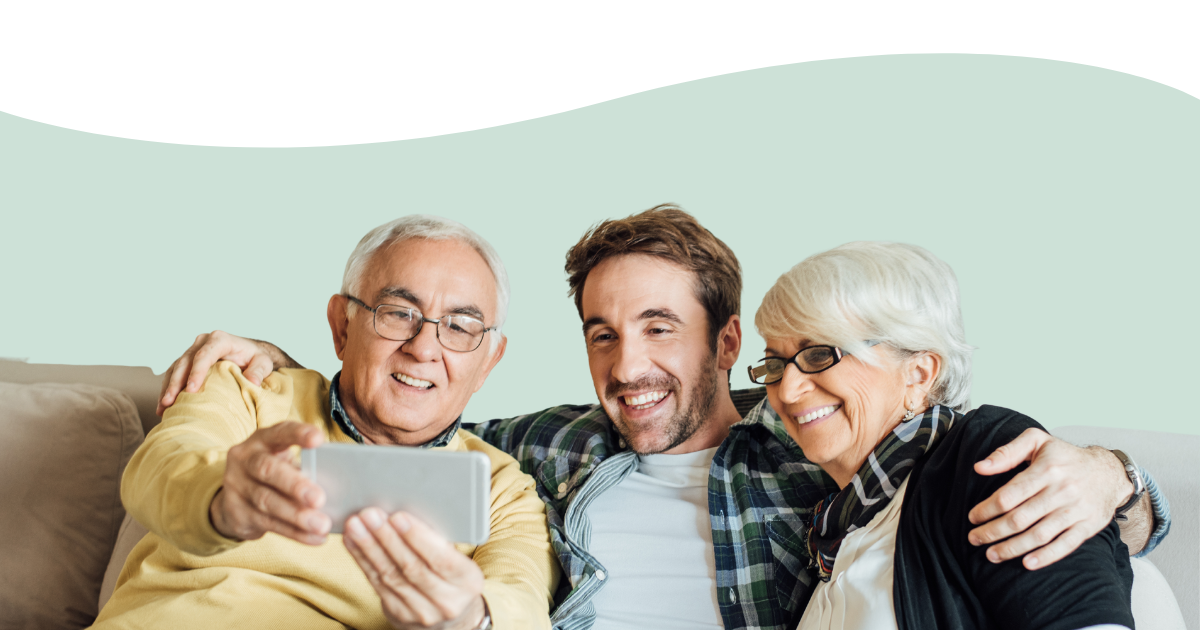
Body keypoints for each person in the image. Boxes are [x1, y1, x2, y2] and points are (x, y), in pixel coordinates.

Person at [160, 205, 1168, 630]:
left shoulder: (811, 450)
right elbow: (410, 401)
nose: (627, 366)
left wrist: (1118, 477)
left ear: (727, 345)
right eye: (601, 333)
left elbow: (962, 472)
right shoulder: (543, 449)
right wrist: (285, 361)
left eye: (657, 328)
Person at [93, 216, 560, 630]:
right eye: (399, 314)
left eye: (460, 327)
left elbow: (520, 602)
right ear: (342, 326)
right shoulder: (247, 389)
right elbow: (162, 464)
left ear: (488, 363)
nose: (423, 348)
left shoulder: (503, 492)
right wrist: (222, 496)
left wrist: (466, 618)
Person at [751, 240, 1134, 629]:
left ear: (919, 374)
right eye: (775, 363)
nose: (786, 390)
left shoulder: (986, 459)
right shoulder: (835, 530)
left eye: (818, 354)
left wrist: (1116, 473)